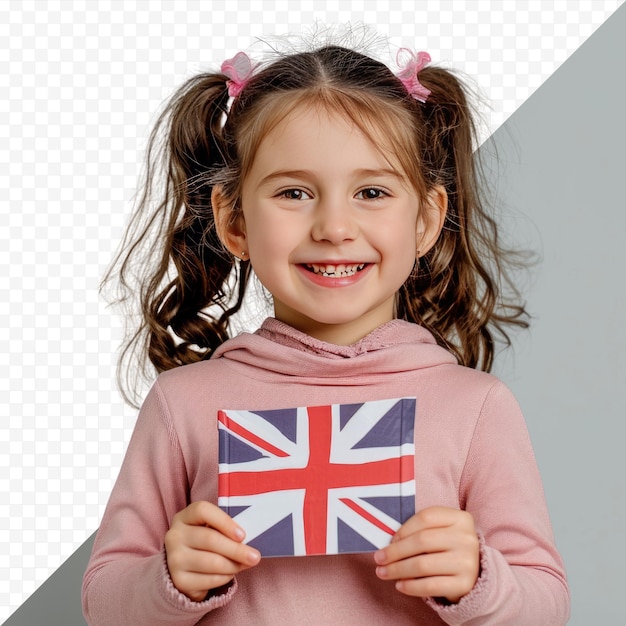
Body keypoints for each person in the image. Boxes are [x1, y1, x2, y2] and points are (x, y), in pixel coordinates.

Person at [82, 38, 570, 625]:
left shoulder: (477, 408)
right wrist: (167, 578)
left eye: (371, 192)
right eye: (294, 193)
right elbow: (104, 603)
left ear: (426, 220)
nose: (335, 226)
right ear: (234, 221)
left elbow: (545, 604)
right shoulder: (182, 405)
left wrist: (478, 580)